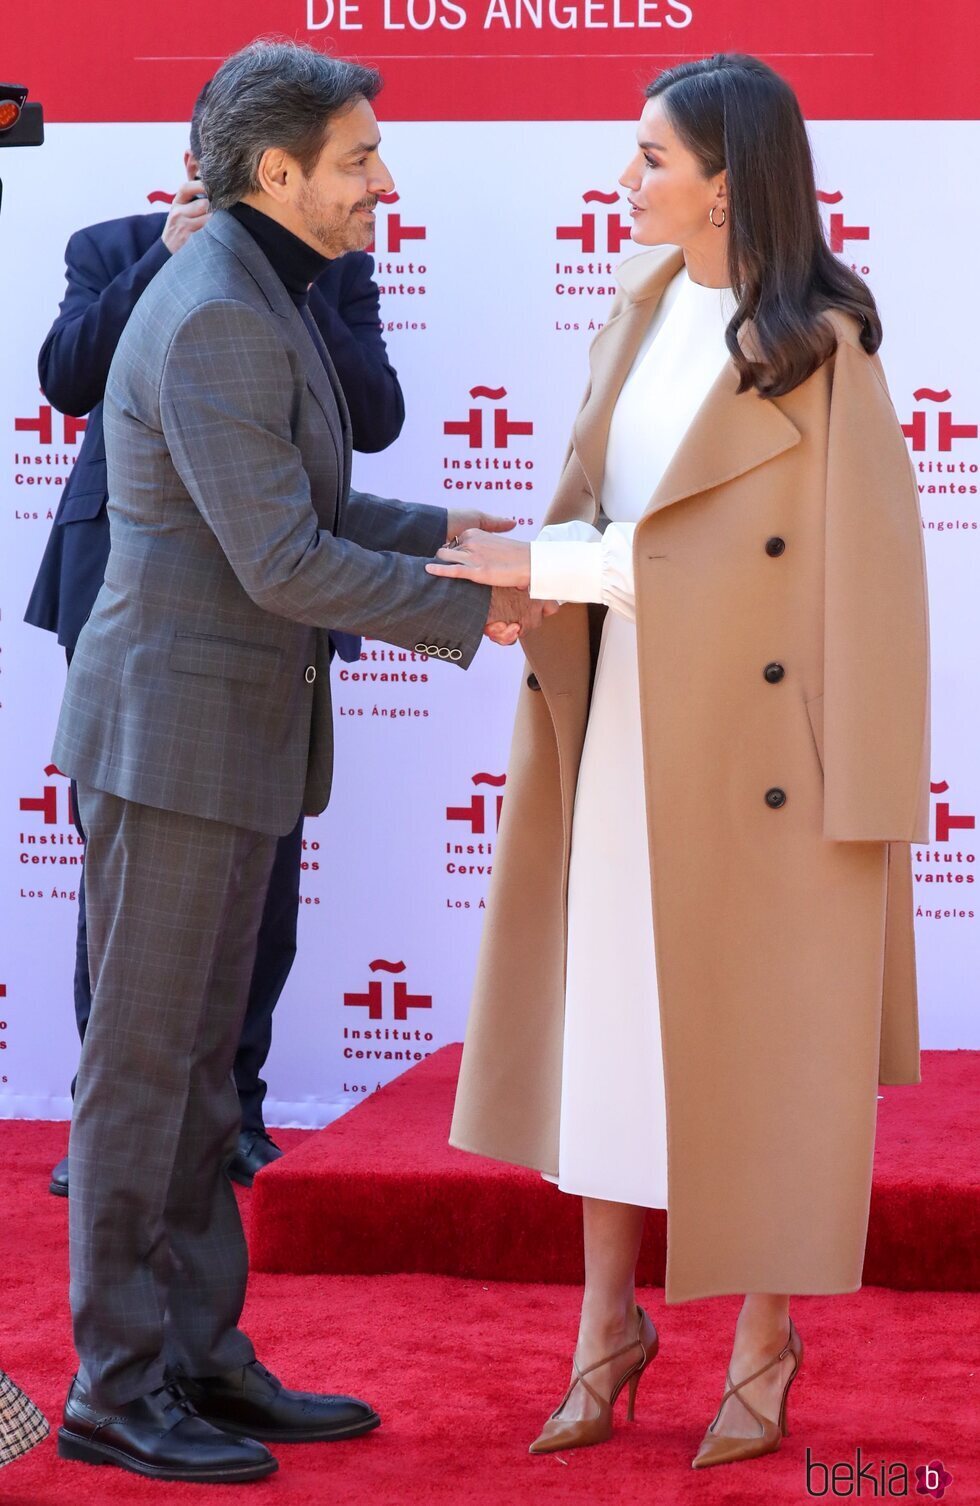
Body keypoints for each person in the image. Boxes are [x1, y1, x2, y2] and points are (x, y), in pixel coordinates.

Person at [50, 40, 541, 1485]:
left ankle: (198, 1354)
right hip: (174, 744)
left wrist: (469, 537)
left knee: (207, 1073)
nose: (383, 181)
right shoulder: (212, 310)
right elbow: (279, 560)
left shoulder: (262, 289)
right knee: (147, 1078)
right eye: (359, 158)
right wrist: (484, 607)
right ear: (278, 173)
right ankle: (113, 1383)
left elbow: (311, 501)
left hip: (228, 739)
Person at [432, 53, 929, 1469]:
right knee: (610, 1036)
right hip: (623, 727)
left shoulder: (826, 344)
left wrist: (873, 801)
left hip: (768, 767)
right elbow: (605, 507)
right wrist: (530, 569)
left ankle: (763, 1343)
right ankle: (609, 1329)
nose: (623, 177)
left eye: (649, 156)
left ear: (729, 179)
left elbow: (851, 583)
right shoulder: (641, 305)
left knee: (765, 1058)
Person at [26, 80, 409, 1194]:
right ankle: (121, 1127)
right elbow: (65, 378)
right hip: (141, 608)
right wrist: (177, 257)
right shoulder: (130, 256)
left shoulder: (323, 268)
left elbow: (370, 421)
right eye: (358, 161)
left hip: (273, 606)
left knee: (257, 890)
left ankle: (224, 1112)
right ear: (240, 163)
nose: (378, 186)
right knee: (140, 898)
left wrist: (296, 288)